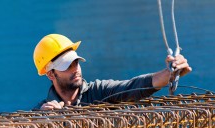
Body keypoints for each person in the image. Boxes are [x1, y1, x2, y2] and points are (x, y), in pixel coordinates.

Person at [33, 34, 191, 110]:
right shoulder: (42, 110)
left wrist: (168, 74)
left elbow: (132, 87)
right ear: (51, 74)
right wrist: (43, 122)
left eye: (75, 62)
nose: (75, 69)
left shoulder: (99, 92)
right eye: (66, 66)